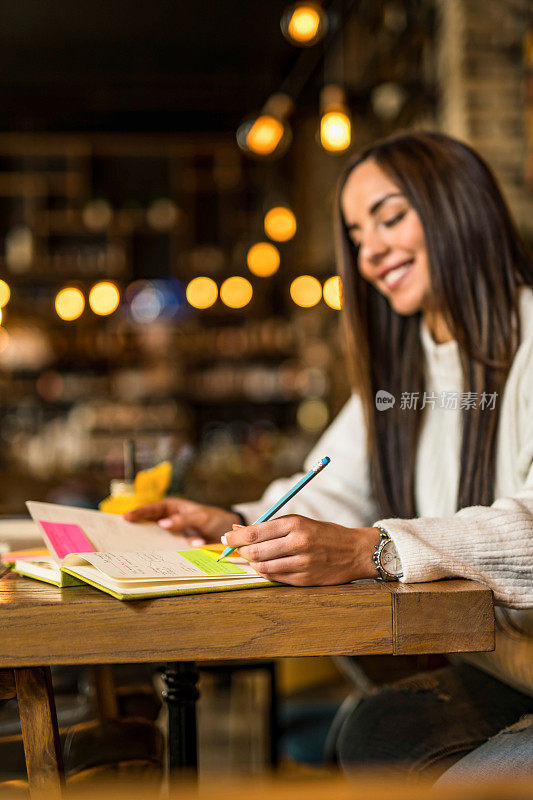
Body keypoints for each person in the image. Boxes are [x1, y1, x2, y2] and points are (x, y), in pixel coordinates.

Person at [125, 131, 533, 779]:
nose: (369, 251)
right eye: (355, 234)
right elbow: (328, 484)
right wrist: (235, 519)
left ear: (461, 208)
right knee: (374, 733)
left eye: (390, 217)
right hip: (506, 670)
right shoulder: (404, 373)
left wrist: (371, 549)